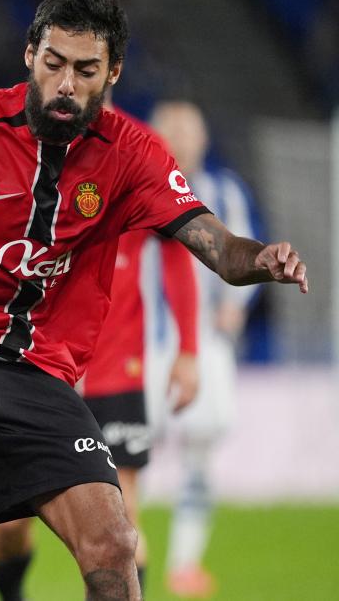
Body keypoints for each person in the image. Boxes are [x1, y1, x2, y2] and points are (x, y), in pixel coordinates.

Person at [0, 0, 307, 601]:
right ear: (31, 54)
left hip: (37, 372)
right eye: (54, 64)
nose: (66, 84)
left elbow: (218, 247)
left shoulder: (133, 156)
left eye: (86, 70)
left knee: (114, 544)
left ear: (114, 73)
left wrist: (260, 258)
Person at [0, 226, 201, 600]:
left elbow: (177, 245)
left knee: (120, 521)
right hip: (33, 374)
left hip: (117, 372)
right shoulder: (25, 178)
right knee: (11, 526)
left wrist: (188, 348)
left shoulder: (125, 173)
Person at [149, 100, 257, 598]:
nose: (179, 138)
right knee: (126, 453)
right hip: (141, 345)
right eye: (169, 129)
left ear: (204, 139)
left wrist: (236, 304)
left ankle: (184, 563)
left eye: (188, 130)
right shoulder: (134, 185)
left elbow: (246, 255)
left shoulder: (223, 191)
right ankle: (127, 550)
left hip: (205, 347)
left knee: (200, 454)